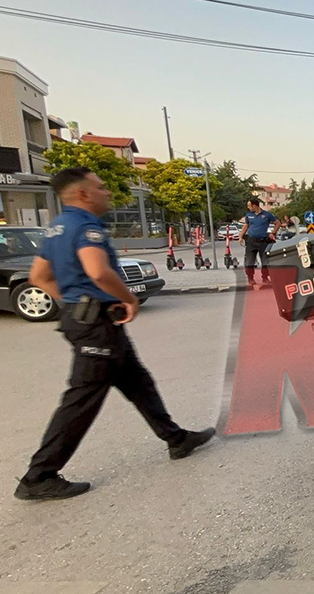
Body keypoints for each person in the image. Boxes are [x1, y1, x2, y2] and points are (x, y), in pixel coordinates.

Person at [16, 167, 215, 501]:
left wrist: (73, 302)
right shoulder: (86, 226)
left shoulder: (57, 227)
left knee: (138, 382)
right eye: (101, 187)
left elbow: (38, 276)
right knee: (81, 400)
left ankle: (176, 439)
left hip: (88, 321)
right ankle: (39, 476)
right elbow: (98, 271)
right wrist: (127, 298)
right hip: (96, 327)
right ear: (83, 194)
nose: (106, 192)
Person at [240, 197, 277, 287]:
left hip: (263, 241)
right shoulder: (249, 215)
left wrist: (273, 233)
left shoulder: (267, 215)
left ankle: (265, 277)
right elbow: (246, 226)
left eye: (249, 205)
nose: (248, 207)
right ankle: (250, 278)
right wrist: (241, 236)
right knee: (249, 261)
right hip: (251, 241)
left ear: (255, 205)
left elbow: (278, 223)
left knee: (265, 261)